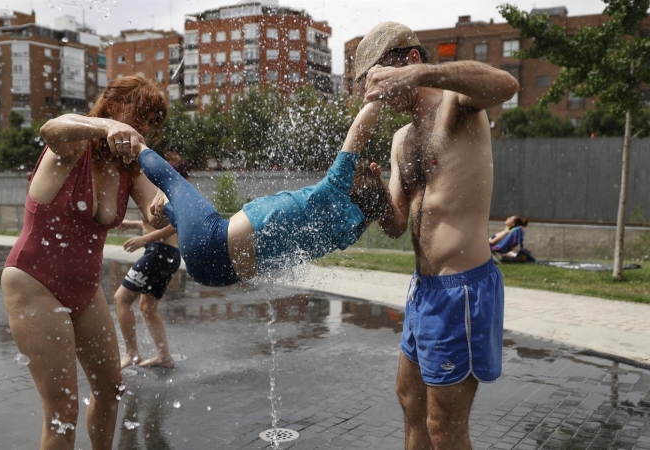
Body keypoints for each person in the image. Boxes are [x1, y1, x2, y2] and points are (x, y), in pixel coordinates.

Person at [354, 21, 519, 450]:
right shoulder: (401, 139)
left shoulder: (458, 104)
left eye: (381, 82)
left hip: (462, 290)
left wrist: (421, 75)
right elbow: (394, 224)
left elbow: (506, 84)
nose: (381, 97)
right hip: (423, 290)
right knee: (409, 400)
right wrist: (370, 194)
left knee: (444, 427)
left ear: (409, 61)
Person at [0, 75, 170, 450]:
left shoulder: (129, 168)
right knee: (63, 410)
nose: (142, 126)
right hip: (34, 283)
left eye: (151, 119)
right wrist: (107, 127)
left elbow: (156, 211)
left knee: (111, 391)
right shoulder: (74, 146)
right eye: (136, 114)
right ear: (111, 106)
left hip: (85, 290)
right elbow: (51, 127)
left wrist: (166, 206)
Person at [115, 101, 393, 287]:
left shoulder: (333, 188)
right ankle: (169, 210)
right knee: (185, 212)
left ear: (348, 181)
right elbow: (377, 207)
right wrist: (379, 188)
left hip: (212, 241)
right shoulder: (352, 230)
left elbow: (359, 131)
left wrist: (378, 94)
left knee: (173, 183)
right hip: (221, 275)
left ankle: (135, 146)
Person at [113, 216, 181, 369]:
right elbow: (159, 222)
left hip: (159, 253)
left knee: (121, 299)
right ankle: (164, 356)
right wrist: (135, 223)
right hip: (166, 254)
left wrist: (144, 239)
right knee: (147, 308)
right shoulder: (156, 192)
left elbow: (176, 224)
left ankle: (131, 354)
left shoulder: (159, 192)